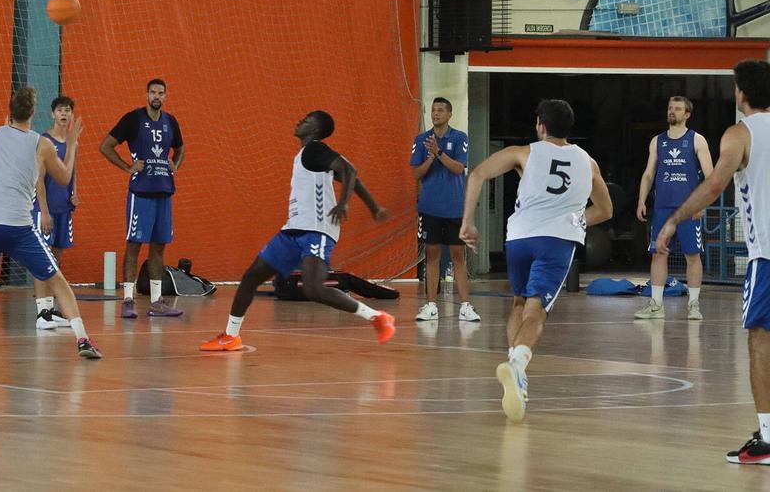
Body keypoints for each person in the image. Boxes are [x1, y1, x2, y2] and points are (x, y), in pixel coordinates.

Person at [461, 99, 612, 422]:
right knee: (537, 310)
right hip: (556, 240)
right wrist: (575, 219)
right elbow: (605, 210)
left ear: (540, 125)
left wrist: (468, 222)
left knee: (518, 303)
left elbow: (476, 175)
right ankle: (517, 366)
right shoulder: (588, 162)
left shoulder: (523, 152)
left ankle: (517, 372)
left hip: (518, 237)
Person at [654, 60, 770, 464]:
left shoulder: (740, 133)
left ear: (741, 93)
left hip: (766, 257)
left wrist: (673, 219)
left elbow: (716, 183)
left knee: (760, 340)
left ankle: (768, 437)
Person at [200, 111, 396, 351]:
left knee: (313, 288)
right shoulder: (310, 156)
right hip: (293, 230)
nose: (300, 121)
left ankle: (378, 318)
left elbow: (350, 171)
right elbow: (351, 178)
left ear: (315, 130)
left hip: (316, 229)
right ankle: (231, 336)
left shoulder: (315, 149)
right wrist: (374, 208)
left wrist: (343, 203)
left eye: (307, 120)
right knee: (251, 276)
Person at [0, 86, 101, 360]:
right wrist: (73, 144)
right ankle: (83, 340)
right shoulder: (41, 143)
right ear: (33, 113)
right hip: (16, 225)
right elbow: (64, 178)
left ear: (9, 112)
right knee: (57, 279)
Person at [100, 79, 184, 318]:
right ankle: (128, 299)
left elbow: (181, 148)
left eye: (161, 93)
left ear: (166, 96)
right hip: (141, 193)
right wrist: (128, 167)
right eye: (153, 92)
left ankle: (157, 301)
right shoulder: (133, 119)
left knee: (158, 248)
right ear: (146, 95)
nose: (157, 96)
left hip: (164, 192)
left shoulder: (171, 122)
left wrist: (175, 164)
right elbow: (106, 146)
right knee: (134, 245)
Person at [635, 96, 714, 320]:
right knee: (658, 255)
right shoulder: (657, 141)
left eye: (677, 109)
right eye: (670, 108)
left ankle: (694, 305)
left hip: (689, 209)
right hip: (662, 208)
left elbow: (711, 177)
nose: (672, 111)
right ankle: (656, 306)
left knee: (692, 255)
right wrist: (642, 200)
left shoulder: (697, 140)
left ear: (687, 114)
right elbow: (649, 173)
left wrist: (703, 204)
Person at [410, 97, 478, 322]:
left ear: (449, 114)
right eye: (433, 110)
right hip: (430, 206)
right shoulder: (421, 140)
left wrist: (439, 153)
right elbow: (416, 174)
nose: (436, 113)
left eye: (440, 110)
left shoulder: (460, 138)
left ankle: (466, 306)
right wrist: (430, 157)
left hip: (454, 207)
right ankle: (430, 306)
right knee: (432, 255)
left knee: (458, 255)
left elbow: (459, 168)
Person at [32, 95, 79, 330]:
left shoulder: (72, 142)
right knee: (42, 258)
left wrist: (75, 193)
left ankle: (50, 309)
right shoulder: (44, 141)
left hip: (64, 208)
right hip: (45, 209)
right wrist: (44, 211)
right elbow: (39, 178)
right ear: (53, 114)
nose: (64, 114)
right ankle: (41, 311)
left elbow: (72, 170)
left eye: (68, 110)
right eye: (60, 110)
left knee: (56, 258)